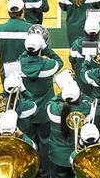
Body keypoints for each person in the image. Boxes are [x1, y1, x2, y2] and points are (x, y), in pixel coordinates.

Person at [19, 34, 63, 175]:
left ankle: (31, 172)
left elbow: (19, 59)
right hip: (44, 113)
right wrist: (45, 48)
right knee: (45, 144)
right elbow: (59, 61)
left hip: (26, 112)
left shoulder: (19, 66)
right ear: (40, 49)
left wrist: (28, 50)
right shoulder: (48, 65)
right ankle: (44, 173)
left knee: (28, 143)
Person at [46, 81, 92, 178]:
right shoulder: (86, 109)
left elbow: (51, 101)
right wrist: (78, 91)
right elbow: (89, 100)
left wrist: (63, 92)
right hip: (77, 156)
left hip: (57, 156)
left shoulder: (53, 109)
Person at [0, 0, 32, 81]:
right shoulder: (31, 30)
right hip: (27, 73)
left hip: (6, 74)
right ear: (23, 11)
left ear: (8, 12)